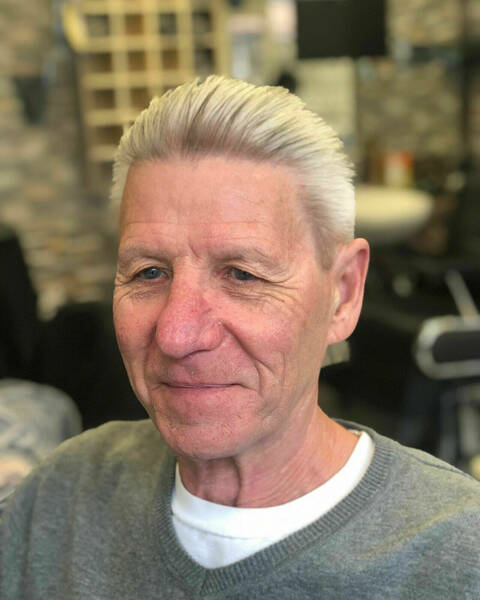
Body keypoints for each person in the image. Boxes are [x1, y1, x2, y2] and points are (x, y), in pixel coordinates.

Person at [1, 75, 479, 598]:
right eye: (149, 273)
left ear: (342, 293)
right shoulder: (61, 499)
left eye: (242, 275)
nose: (177, 335)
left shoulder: (455, 560)